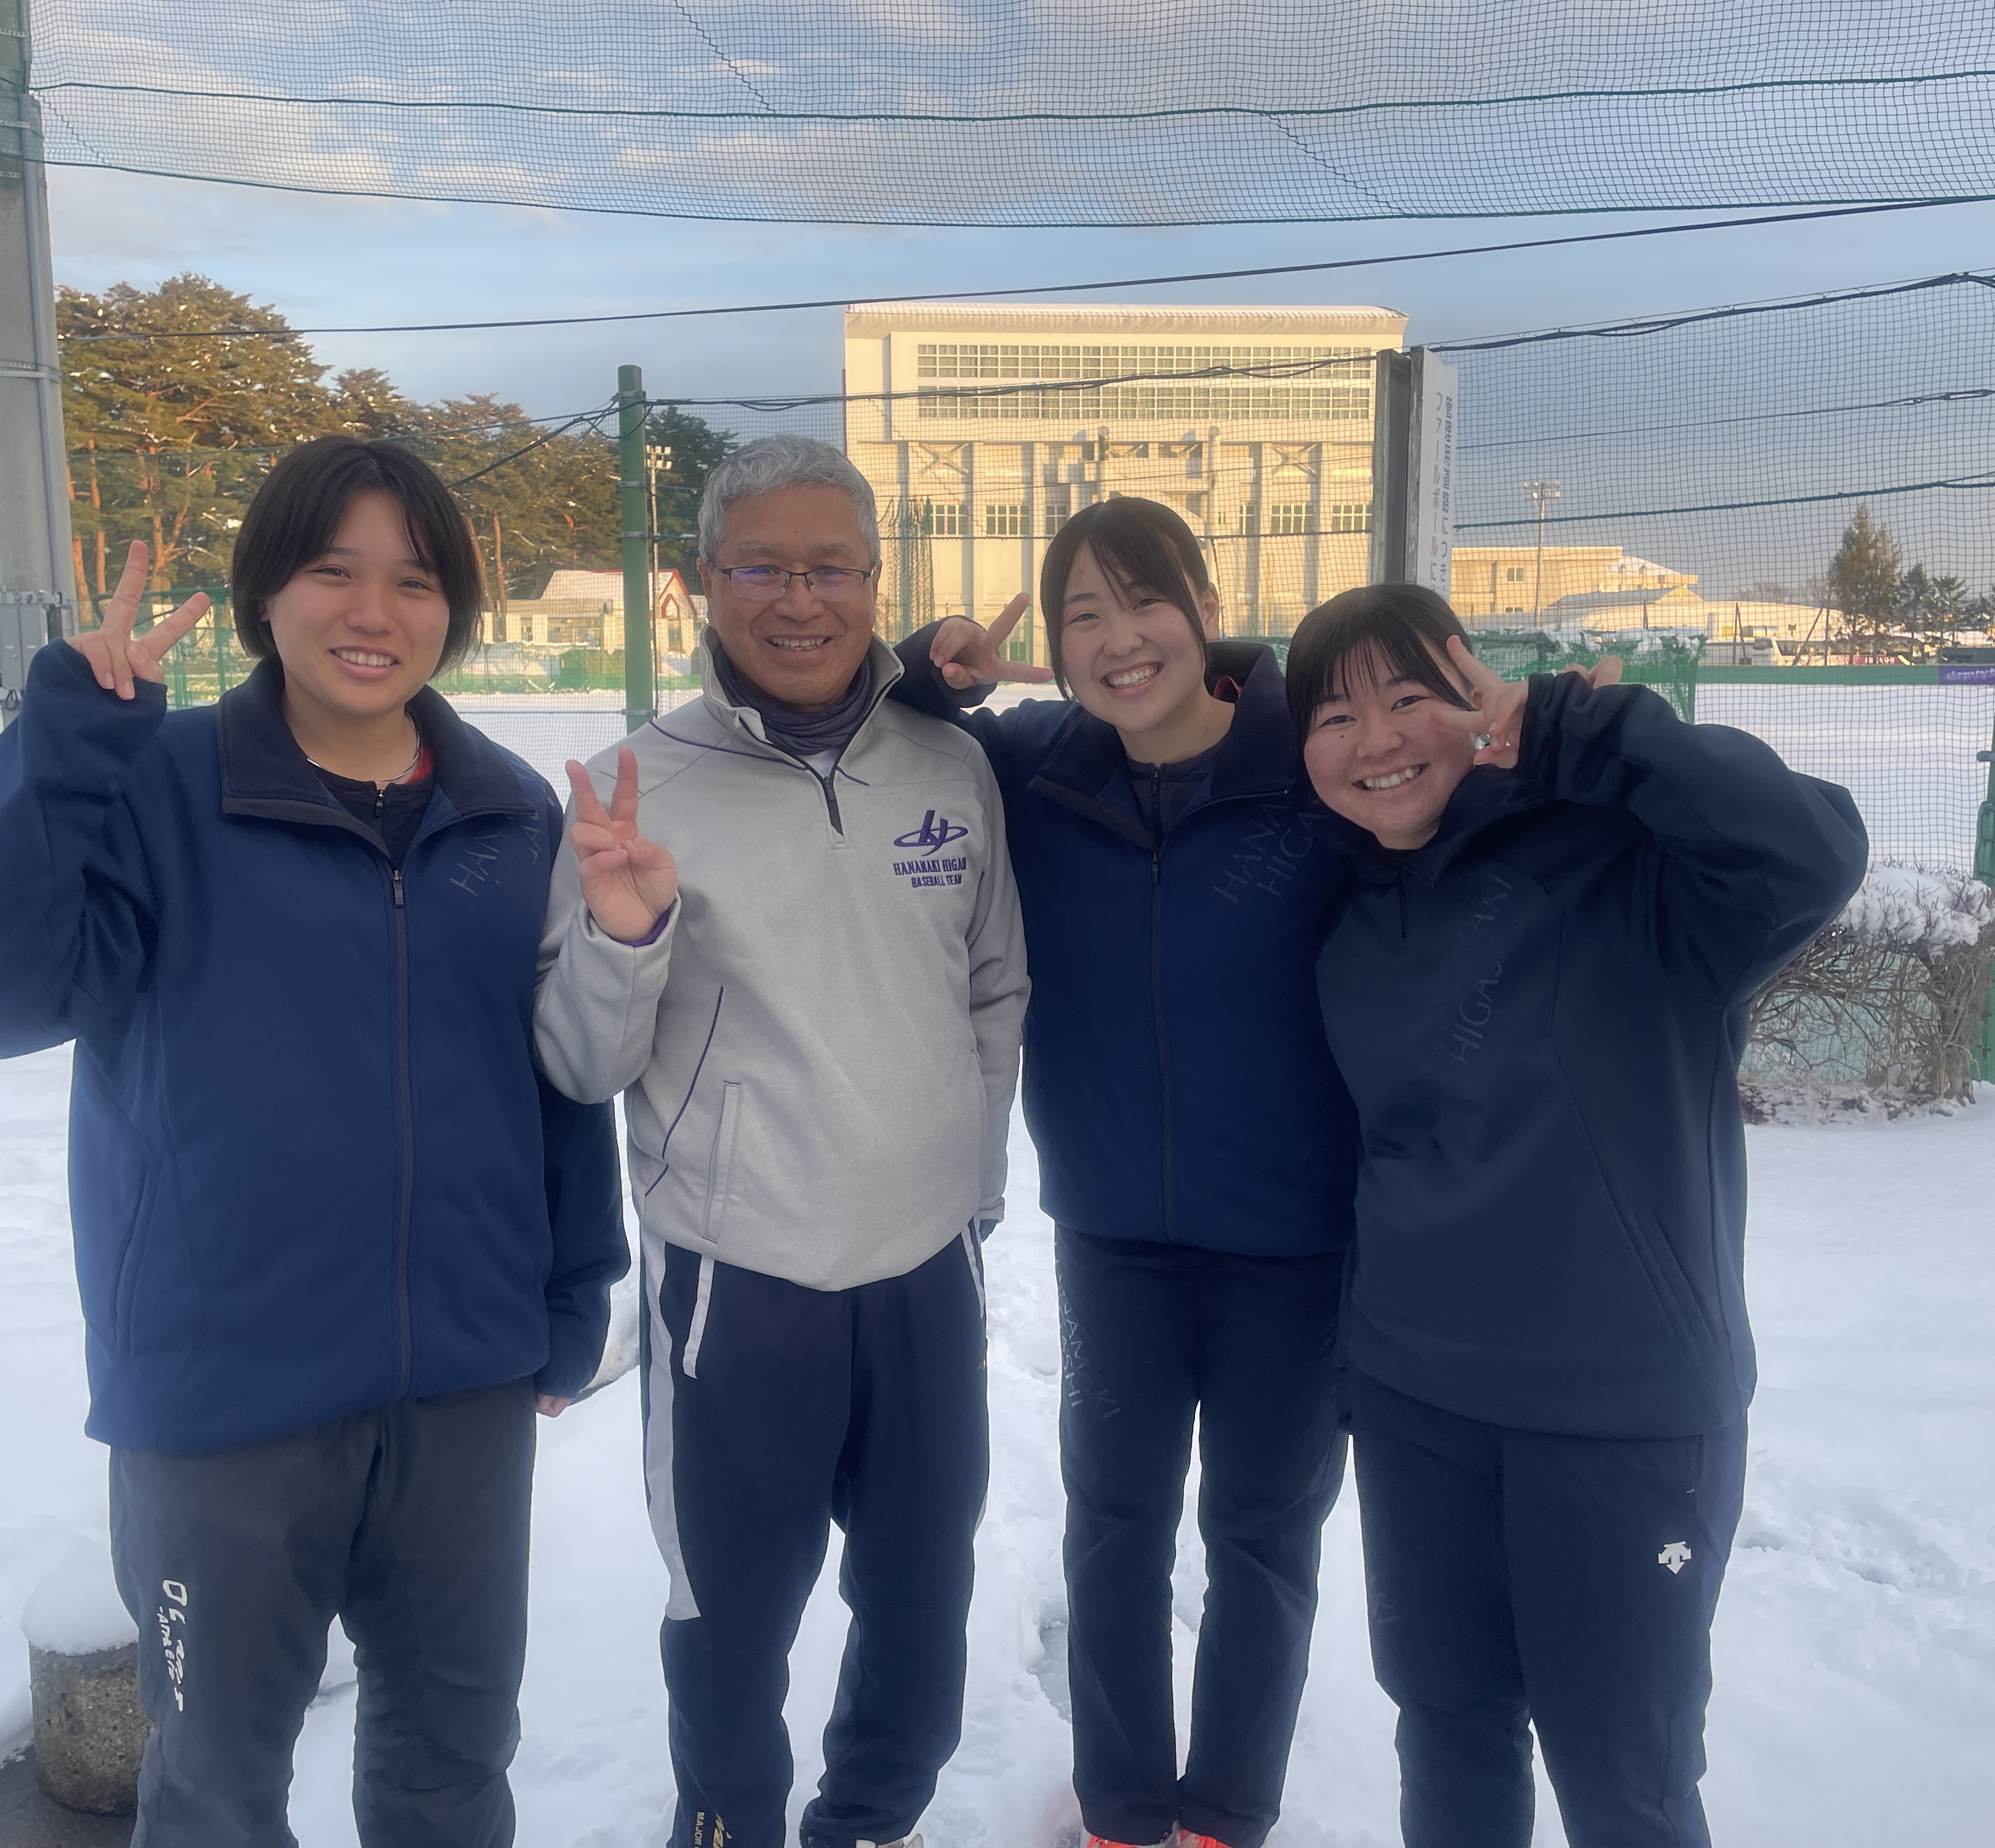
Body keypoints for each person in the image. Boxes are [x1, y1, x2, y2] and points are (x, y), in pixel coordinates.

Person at [0, 438, 625, 1847]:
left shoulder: (508, 814)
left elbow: (554, 1077)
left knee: (455, 1766)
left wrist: (567, 1294)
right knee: (220, 1787)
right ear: (264, 593)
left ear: (455, 608)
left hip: (463, 1386)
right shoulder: (156, 787)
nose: (375, 612)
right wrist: (62, 746)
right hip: (223, 1393)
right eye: (333, 571)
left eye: (415, 581)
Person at [1285, 584, 1867, 1847]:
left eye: (1406, 696)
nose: (1375, 739)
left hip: (1618, 1422)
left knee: (1627, 1783)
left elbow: (1812, 853)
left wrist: (1592, 738)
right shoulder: (1349, 925)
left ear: (1476, 695)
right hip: (1416, 1403)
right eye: (1332, 714)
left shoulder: (1626, 871)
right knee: (1448, 1729)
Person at [531, 433, 1029, 1848]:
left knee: (923, 1596)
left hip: (928, 1265)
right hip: (734, 1283)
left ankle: (870, 1819)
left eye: (833, 568)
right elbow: (579, 1059)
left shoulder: (951, 765)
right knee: (733, 1615)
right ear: (703, 583)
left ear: (877, 585)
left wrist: (971, 1192)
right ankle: (729, 1825)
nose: (798, 599)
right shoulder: (633, 786)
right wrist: (629, 931)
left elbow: (996, 988)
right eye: (762, 565)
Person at [892, 495, 1359, 1848]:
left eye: (1141, 601)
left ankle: (1224, 1813)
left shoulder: (1308, 771)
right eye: (1080, 612)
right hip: (1114, 1234)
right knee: (1114, 1525)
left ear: (1200, 608)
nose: (1115, 638)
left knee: (1264, 1540)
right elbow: (895, 725)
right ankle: (1121, 1810)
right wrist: (930, 660)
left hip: (1297, 1243)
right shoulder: (1040, 767)